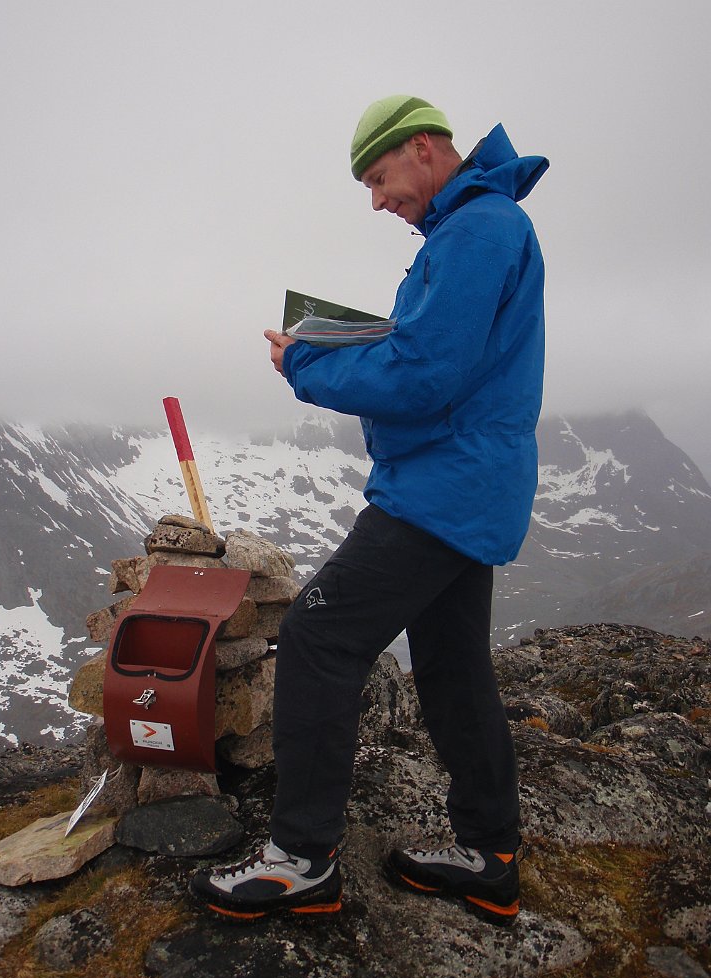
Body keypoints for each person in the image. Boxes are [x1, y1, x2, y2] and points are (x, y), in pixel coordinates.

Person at [190, 95, 548, 926]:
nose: (378, 200)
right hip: (468, 483)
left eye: (380, 178)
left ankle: (300, 859)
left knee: (319, 633)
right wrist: (359, 341)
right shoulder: (475, 231)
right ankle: (490, 855)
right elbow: (435, 354)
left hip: (442, 488)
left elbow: (427, 376)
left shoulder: (476, 232)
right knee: (454, 667)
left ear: (424, 150)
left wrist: (308, 364)